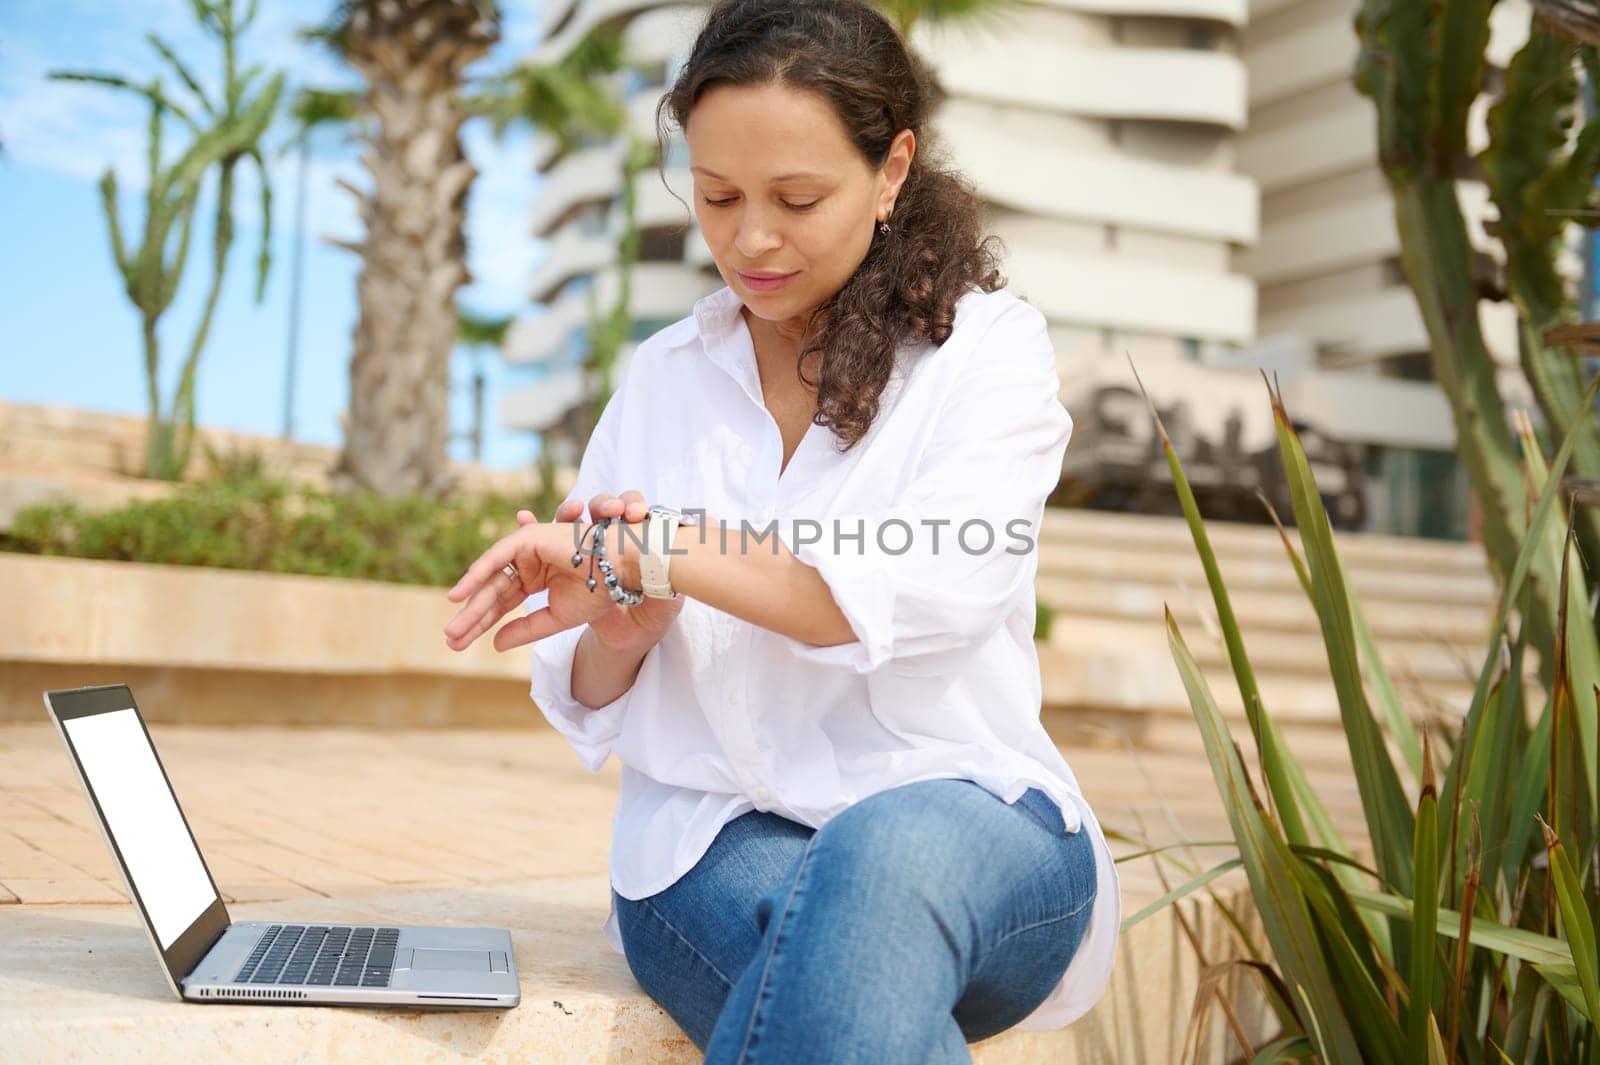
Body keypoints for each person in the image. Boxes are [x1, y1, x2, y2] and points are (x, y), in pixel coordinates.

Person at [443, 0, 1119, 1059]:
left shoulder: (988, 354)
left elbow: (934, 587)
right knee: (848, 990)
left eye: (796, 199)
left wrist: (664, 549)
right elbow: (582, 684)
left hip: (973, 832)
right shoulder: (663, 376)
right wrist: (623, 635)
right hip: (710, 847)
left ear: (892, 170)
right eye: (716, 197)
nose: (748, 240)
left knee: (877, 859)